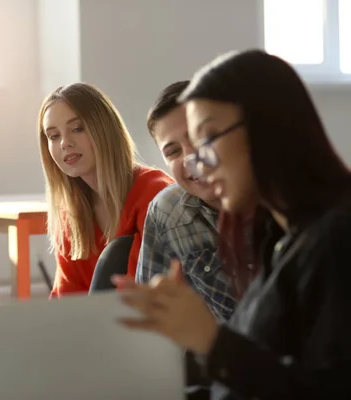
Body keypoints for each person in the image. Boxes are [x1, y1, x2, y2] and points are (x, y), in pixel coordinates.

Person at [114, 49, 351, 399]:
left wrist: (211, 341)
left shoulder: (337, 240)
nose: (200, 164)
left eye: (206, 140)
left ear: (266, 127)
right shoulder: (278, 238)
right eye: (175, 151)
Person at [38, 82, 174, 297]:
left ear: (104, 129)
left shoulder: (154, 194)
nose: (65, 143)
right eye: (53, 136)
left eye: (77, 129)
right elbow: (65, 302)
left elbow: (139, 295)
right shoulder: (70, 213)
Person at [137, 81, 236, 321]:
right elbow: (151, 316)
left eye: (198, 137)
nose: (191, 157)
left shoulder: (281, 205)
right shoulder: (167, 211)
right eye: (173, 152)